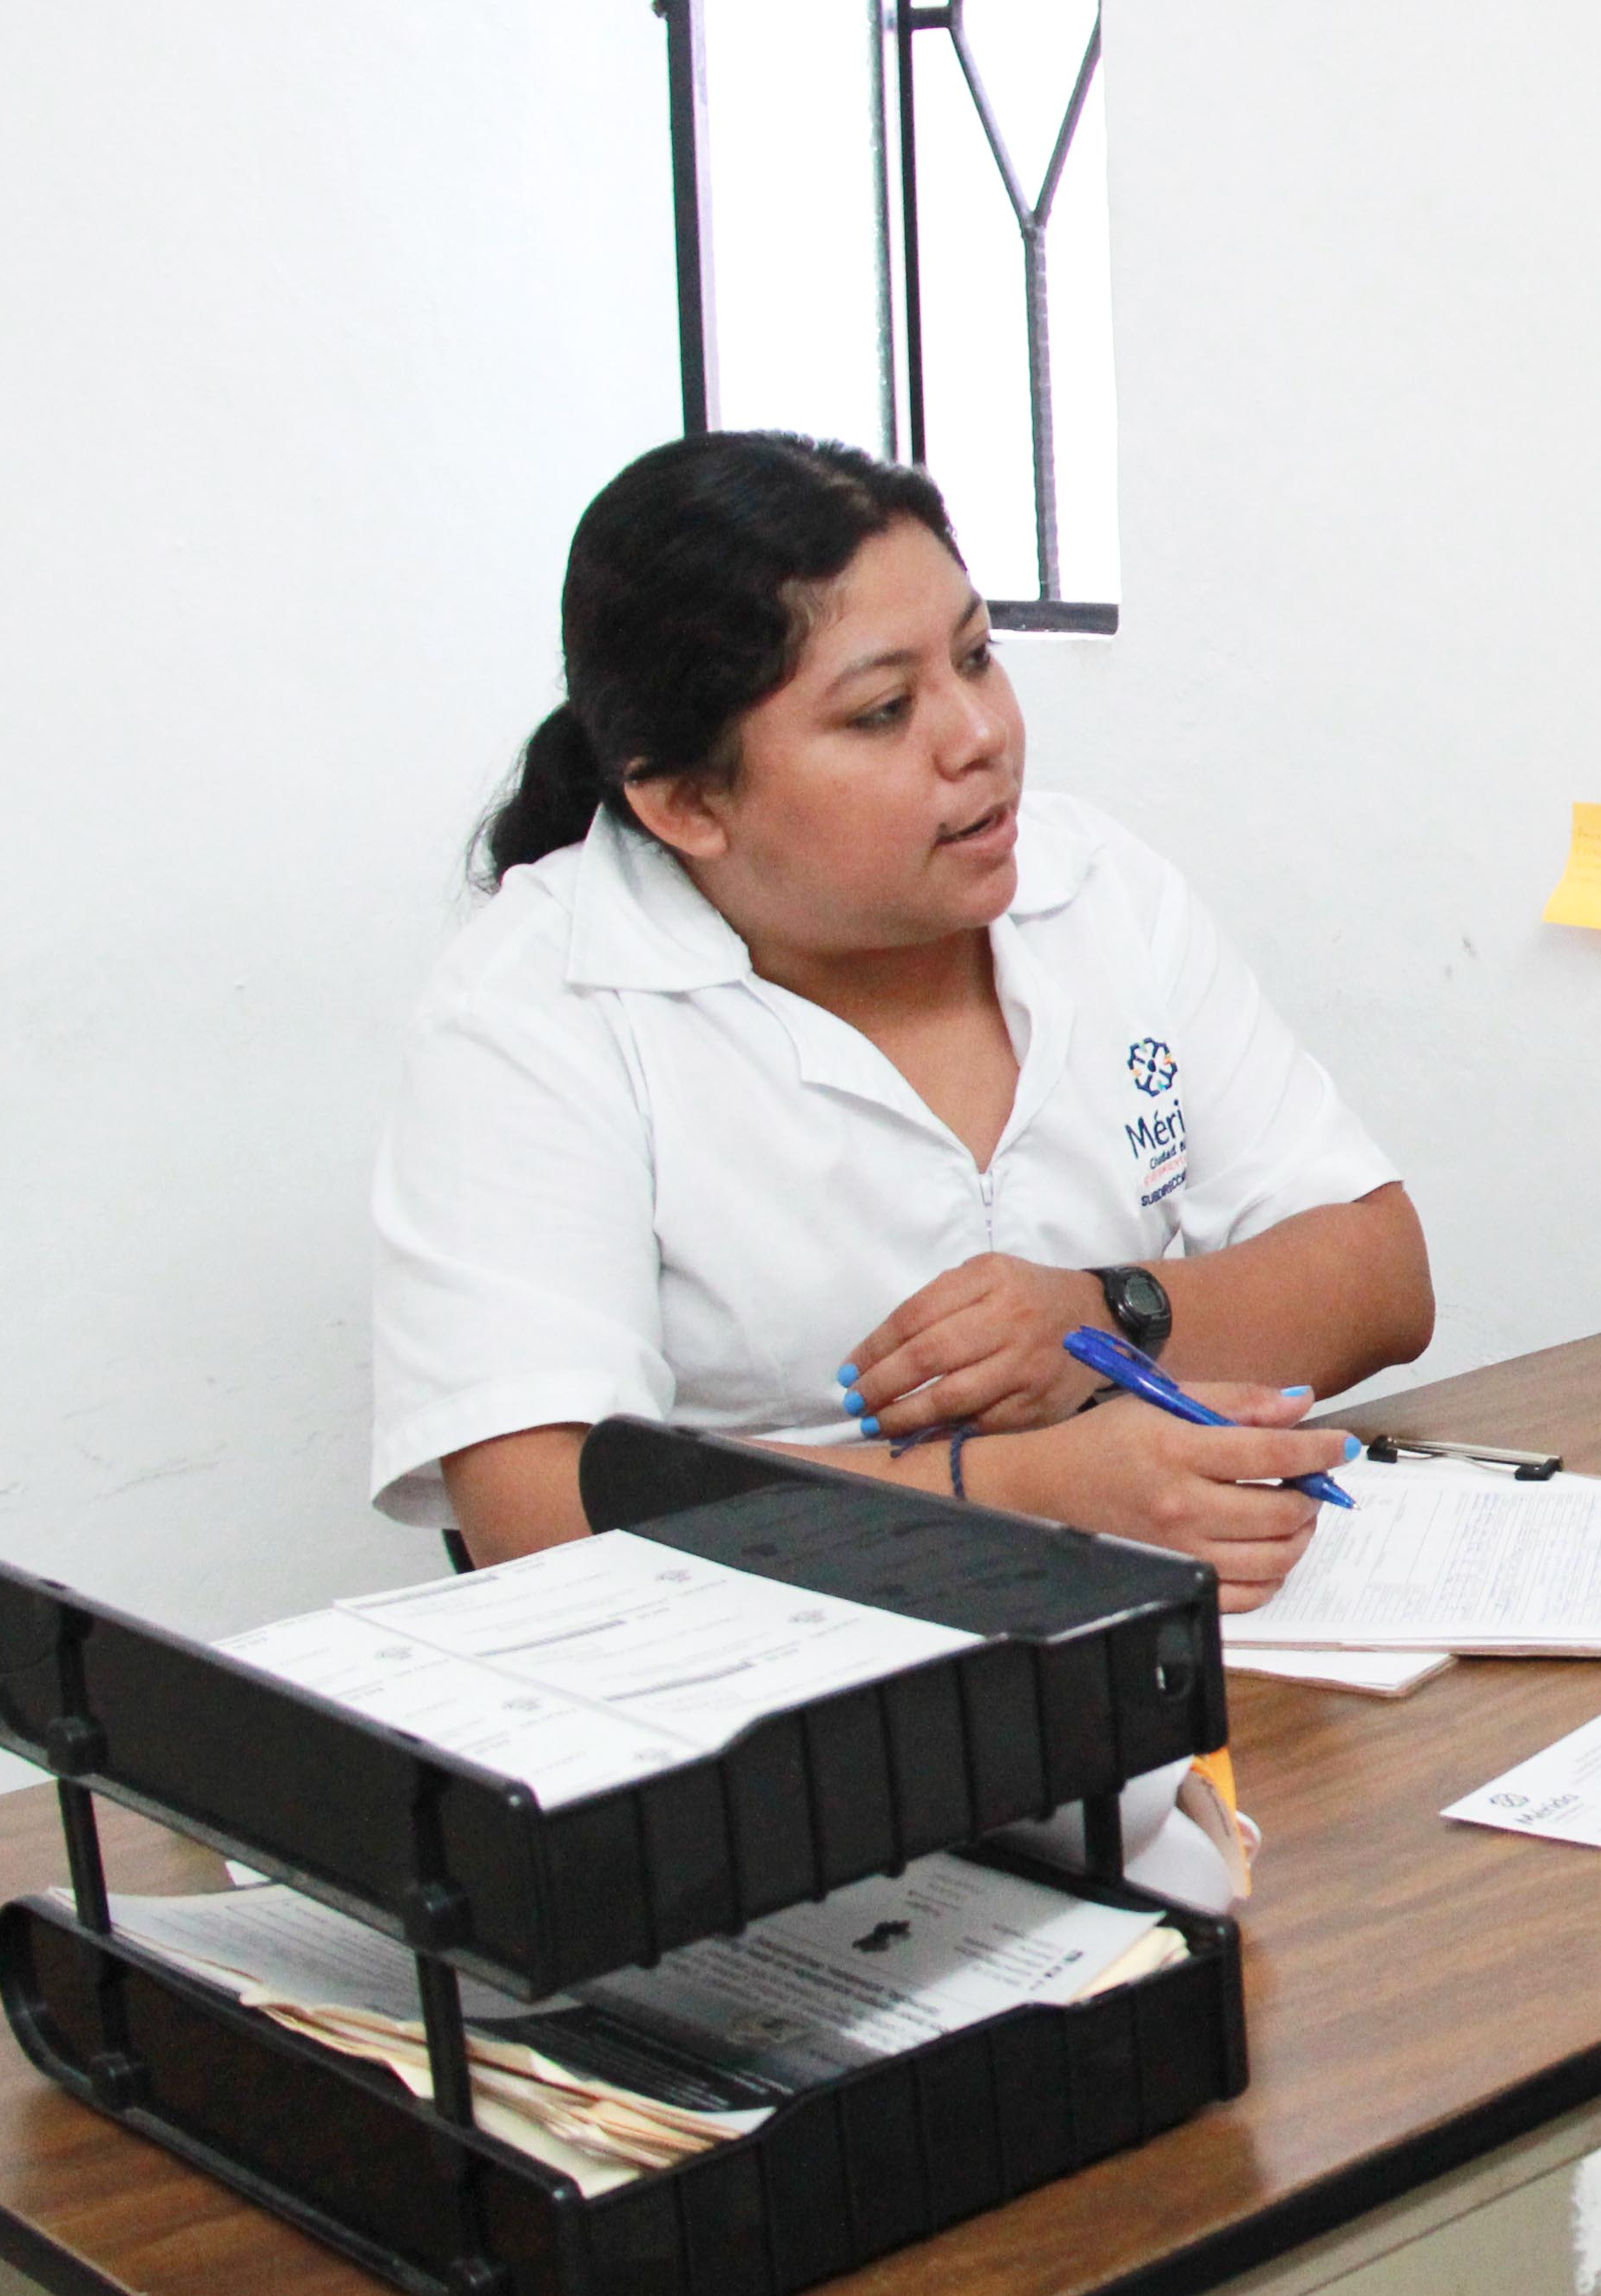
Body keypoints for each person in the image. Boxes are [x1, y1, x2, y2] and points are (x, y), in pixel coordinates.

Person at [371, 432, 1431, 1604]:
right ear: (685, 802)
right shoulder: (539, 1005)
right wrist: (1031, 1493)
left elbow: (1380, 1272)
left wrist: (1113, 1315)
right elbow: (543, 1513)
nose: (980, 736)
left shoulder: (1097, 889)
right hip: (760, 1700)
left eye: (977, 658)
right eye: (882, 710)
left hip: (1164, 1641)